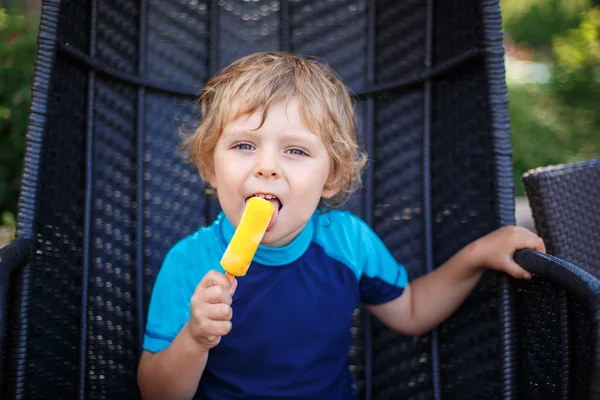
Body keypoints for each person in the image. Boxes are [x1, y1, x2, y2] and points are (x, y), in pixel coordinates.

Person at [137, 52, 545, 400]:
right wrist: (195, 338)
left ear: (330, 178)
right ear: (210, 167)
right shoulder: (191, 263)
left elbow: (412, 311)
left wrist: (476, 256)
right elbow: (156, 392)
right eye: (244, 145)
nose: (266, 167)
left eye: (295, 150)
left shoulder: (348, 242)